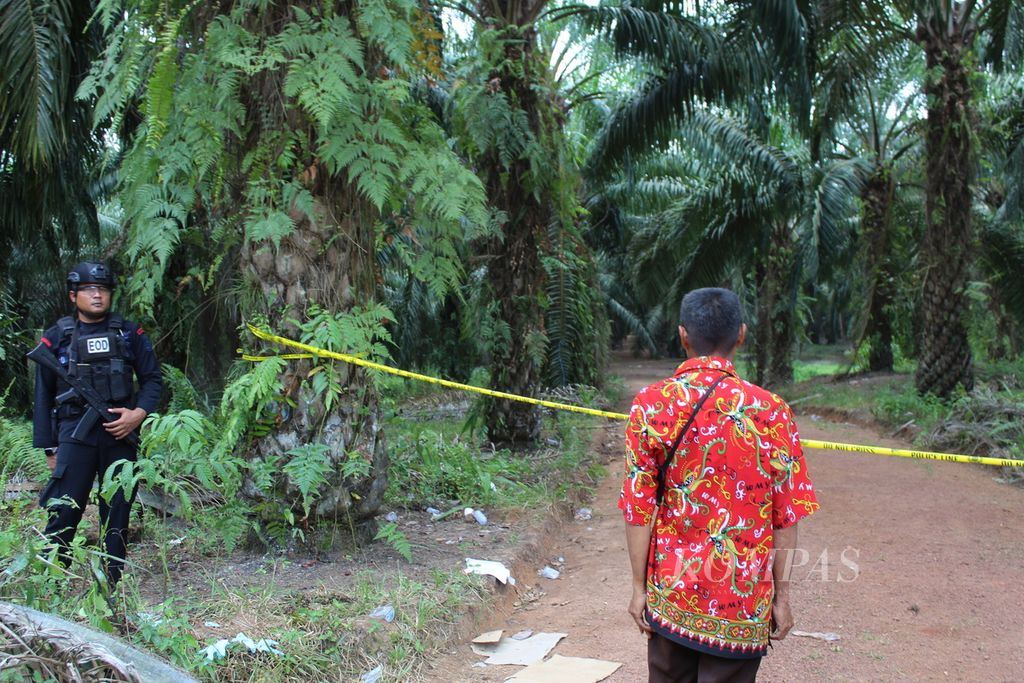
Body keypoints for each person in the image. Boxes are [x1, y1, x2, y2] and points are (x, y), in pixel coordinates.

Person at [620, 288, 818, 683]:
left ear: (682, 336)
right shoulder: (772, 411)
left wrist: (639, 588)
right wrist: (783, 597)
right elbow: (786, 516)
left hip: (672, 594)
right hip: (741, 605)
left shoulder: (651, 405)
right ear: (741, 335)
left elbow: (638, 508)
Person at [32, 261, 162, 586]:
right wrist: (49, 447)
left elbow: (152, 380)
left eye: (102, 289)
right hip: (74, 436)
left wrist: (137, 415)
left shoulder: (129, 333)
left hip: (119, 434)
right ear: (73, 295)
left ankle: (110, 583)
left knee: (117, 509)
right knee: (65, 508)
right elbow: (43, 396)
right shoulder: (57, 337)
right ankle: (54, 580)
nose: (97, 295)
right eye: (90, 289)